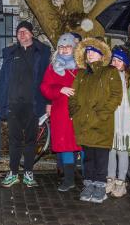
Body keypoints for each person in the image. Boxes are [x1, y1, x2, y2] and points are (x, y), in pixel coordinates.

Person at [0, 20, 51, 188]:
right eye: (19, 32)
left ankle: (28, 172)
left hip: (33, 104)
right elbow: (3, 79)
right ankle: (13, 173)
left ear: (31, 34)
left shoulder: (42, 53)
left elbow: (48, 80)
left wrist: (48, 102)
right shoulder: (11, 54)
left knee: (31, 140)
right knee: (14, 140)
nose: (22, 34)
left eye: (25, 31)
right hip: (13, 103)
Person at [69, 37, 122, 203]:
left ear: (101, 55)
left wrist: (102, 114)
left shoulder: (110, 72)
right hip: (83, 123)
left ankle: (100, 187)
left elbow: (115, 95)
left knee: (101, 157)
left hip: (101, 123)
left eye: (93, 52)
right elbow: (73, 95)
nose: (89, 54)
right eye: (88, 51)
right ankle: (89, 185)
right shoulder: (82, 73)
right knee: (88, 157)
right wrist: (74, 111)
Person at [40, 33, 82, 192]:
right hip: (61, 113)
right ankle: (69, 179)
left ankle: (89, 178)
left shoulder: (82, 65)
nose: (64, 50)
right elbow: (45, 87)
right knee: (66, 145)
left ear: (74, 47)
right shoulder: (53, 67)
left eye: (68, 46)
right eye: (61, 47)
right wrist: (60, 89)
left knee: (84, 144)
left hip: (79, 111)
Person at [106, 46, 130, 198]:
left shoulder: (128, 78)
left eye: (119, 61)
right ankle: (110, 178)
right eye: (114, 60)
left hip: (124, 119)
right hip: (111, 118)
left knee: (122, 150)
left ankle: (121, 181)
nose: (116, 63)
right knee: (110, 149)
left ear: (125, 63)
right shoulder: (108, 76)